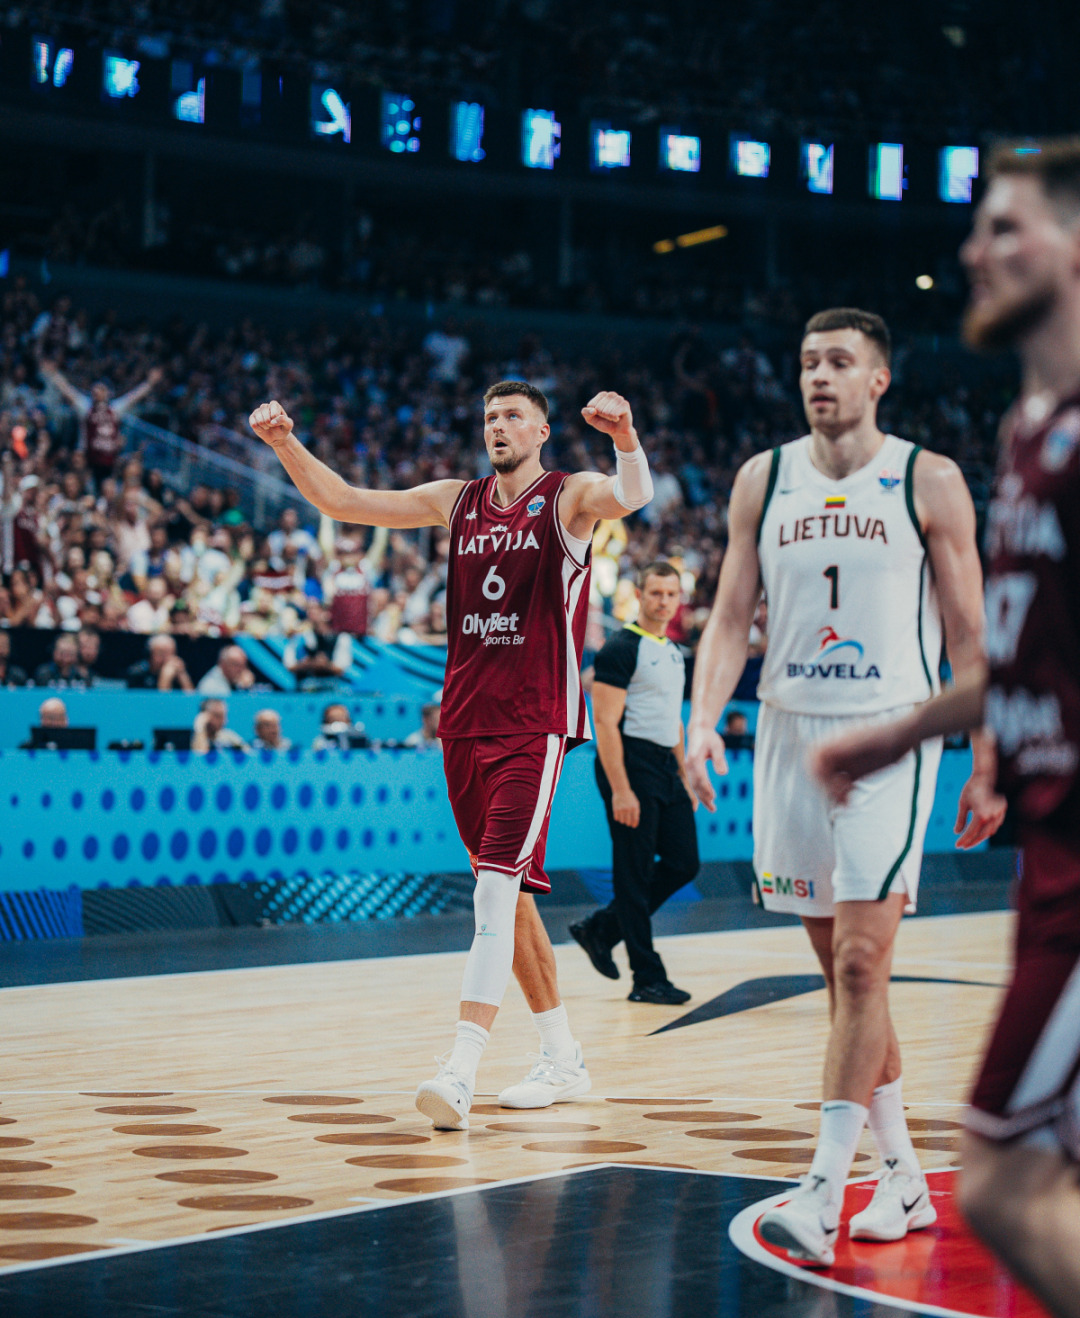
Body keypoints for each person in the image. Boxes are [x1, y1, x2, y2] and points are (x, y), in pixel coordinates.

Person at [811, 139, 1080, 1318]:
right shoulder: (1027, 433)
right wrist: (898, 737)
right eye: (976, 228)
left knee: (1007, 1183)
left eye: (1006, 228)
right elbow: (1017, 656)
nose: (974, 250)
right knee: (1025, 1177)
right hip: (1050, 853)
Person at [685, 307, 1002, 1266]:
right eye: (808, 362)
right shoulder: (763, 477)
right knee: (843, 979)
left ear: (878, 379)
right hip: (788, 732)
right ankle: (902, 1176)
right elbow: (730, 615)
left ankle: (824, 1191)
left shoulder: (927, 477)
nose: (819, 376)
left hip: (891, 730)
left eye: (839, 362)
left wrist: (988, 755)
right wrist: (702, 719)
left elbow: (970, 633)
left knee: (865, 964)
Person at [250, 378, 653, 1130]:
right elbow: (344, 501)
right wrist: (284, 444)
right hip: (464, 722)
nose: (498, 426)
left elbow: (632, 494)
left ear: (540, 433)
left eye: (513, 417)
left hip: (534, 720)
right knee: (513, 898)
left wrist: (624, 436)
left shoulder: (568, 497)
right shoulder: (456, 500)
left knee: (493, 893)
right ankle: (563, 1058)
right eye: (490, 416)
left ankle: (459, 1069)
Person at [569, 561, 699, 1003]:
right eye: (656, 593)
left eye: (671, 594)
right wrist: (621, 789)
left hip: (664, 765)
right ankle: (646, 977)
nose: (664, 601)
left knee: (684, 863)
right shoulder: (621, 647)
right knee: (634, 871)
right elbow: (605, 722)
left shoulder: (674, 651)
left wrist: (684, 776)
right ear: (639, 595)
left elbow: (673, 719)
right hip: (629, 762)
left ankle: (602, 929)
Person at [40, 361, 161, 485]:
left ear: (108, 393)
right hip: (89, 460)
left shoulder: (114, 409)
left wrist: (150, 383)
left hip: (109, 461)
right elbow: (68, 391)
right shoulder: (86, 407)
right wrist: (54, 374)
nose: (96, 391)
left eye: (100, 389)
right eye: (95, 388)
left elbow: (133, 397)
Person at [125, 634, 194, 691]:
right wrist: (165, 677)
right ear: (150, 654)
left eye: (170, 653)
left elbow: (191, 698)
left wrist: (182, 675)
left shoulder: (176, 670)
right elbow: (160, 700)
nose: (166, 658)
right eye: (161, 654)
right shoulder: (137, 673)